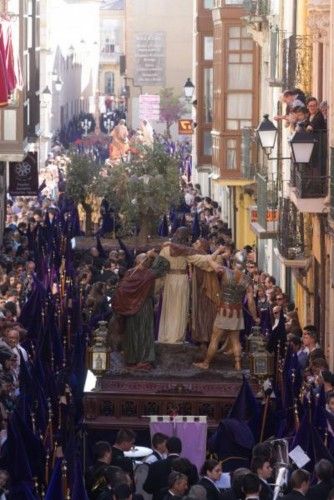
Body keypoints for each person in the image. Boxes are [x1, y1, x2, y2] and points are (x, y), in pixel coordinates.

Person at [190, 255, 258, 370]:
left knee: (215, 339)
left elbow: (210, 262)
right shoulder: (247, 280)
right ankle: (238, 364)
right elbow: (251, 302)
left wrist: (212, 257)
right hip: (237, 313)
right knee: (235, 340)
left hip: (224, 311)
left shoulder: (225, 272)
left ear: (233, 263)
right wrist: (255, 317)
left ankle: (206, 363)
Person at [113, 249, 170, 369]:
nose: (149, 262)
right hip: (144, 306)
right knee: (144, 333)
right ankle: (144, 360)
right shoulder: (148, 274)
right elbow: (165, 265)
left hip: (129, 307)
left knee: (132, 333)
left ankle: (131, 359)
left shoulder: (129, 273)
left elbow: (121, 290)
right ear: (145, 262)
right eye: (148, 260)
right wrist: (155, 255)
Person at [158, 227, 191, 344]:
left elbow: (159, 265)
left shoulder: (166, 249)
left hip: (169, 278)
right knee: (180, 306)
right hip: (182, 279)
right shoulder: (187, 250)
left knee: (169, 306)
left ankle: (166, 335)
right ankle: (177, 336)